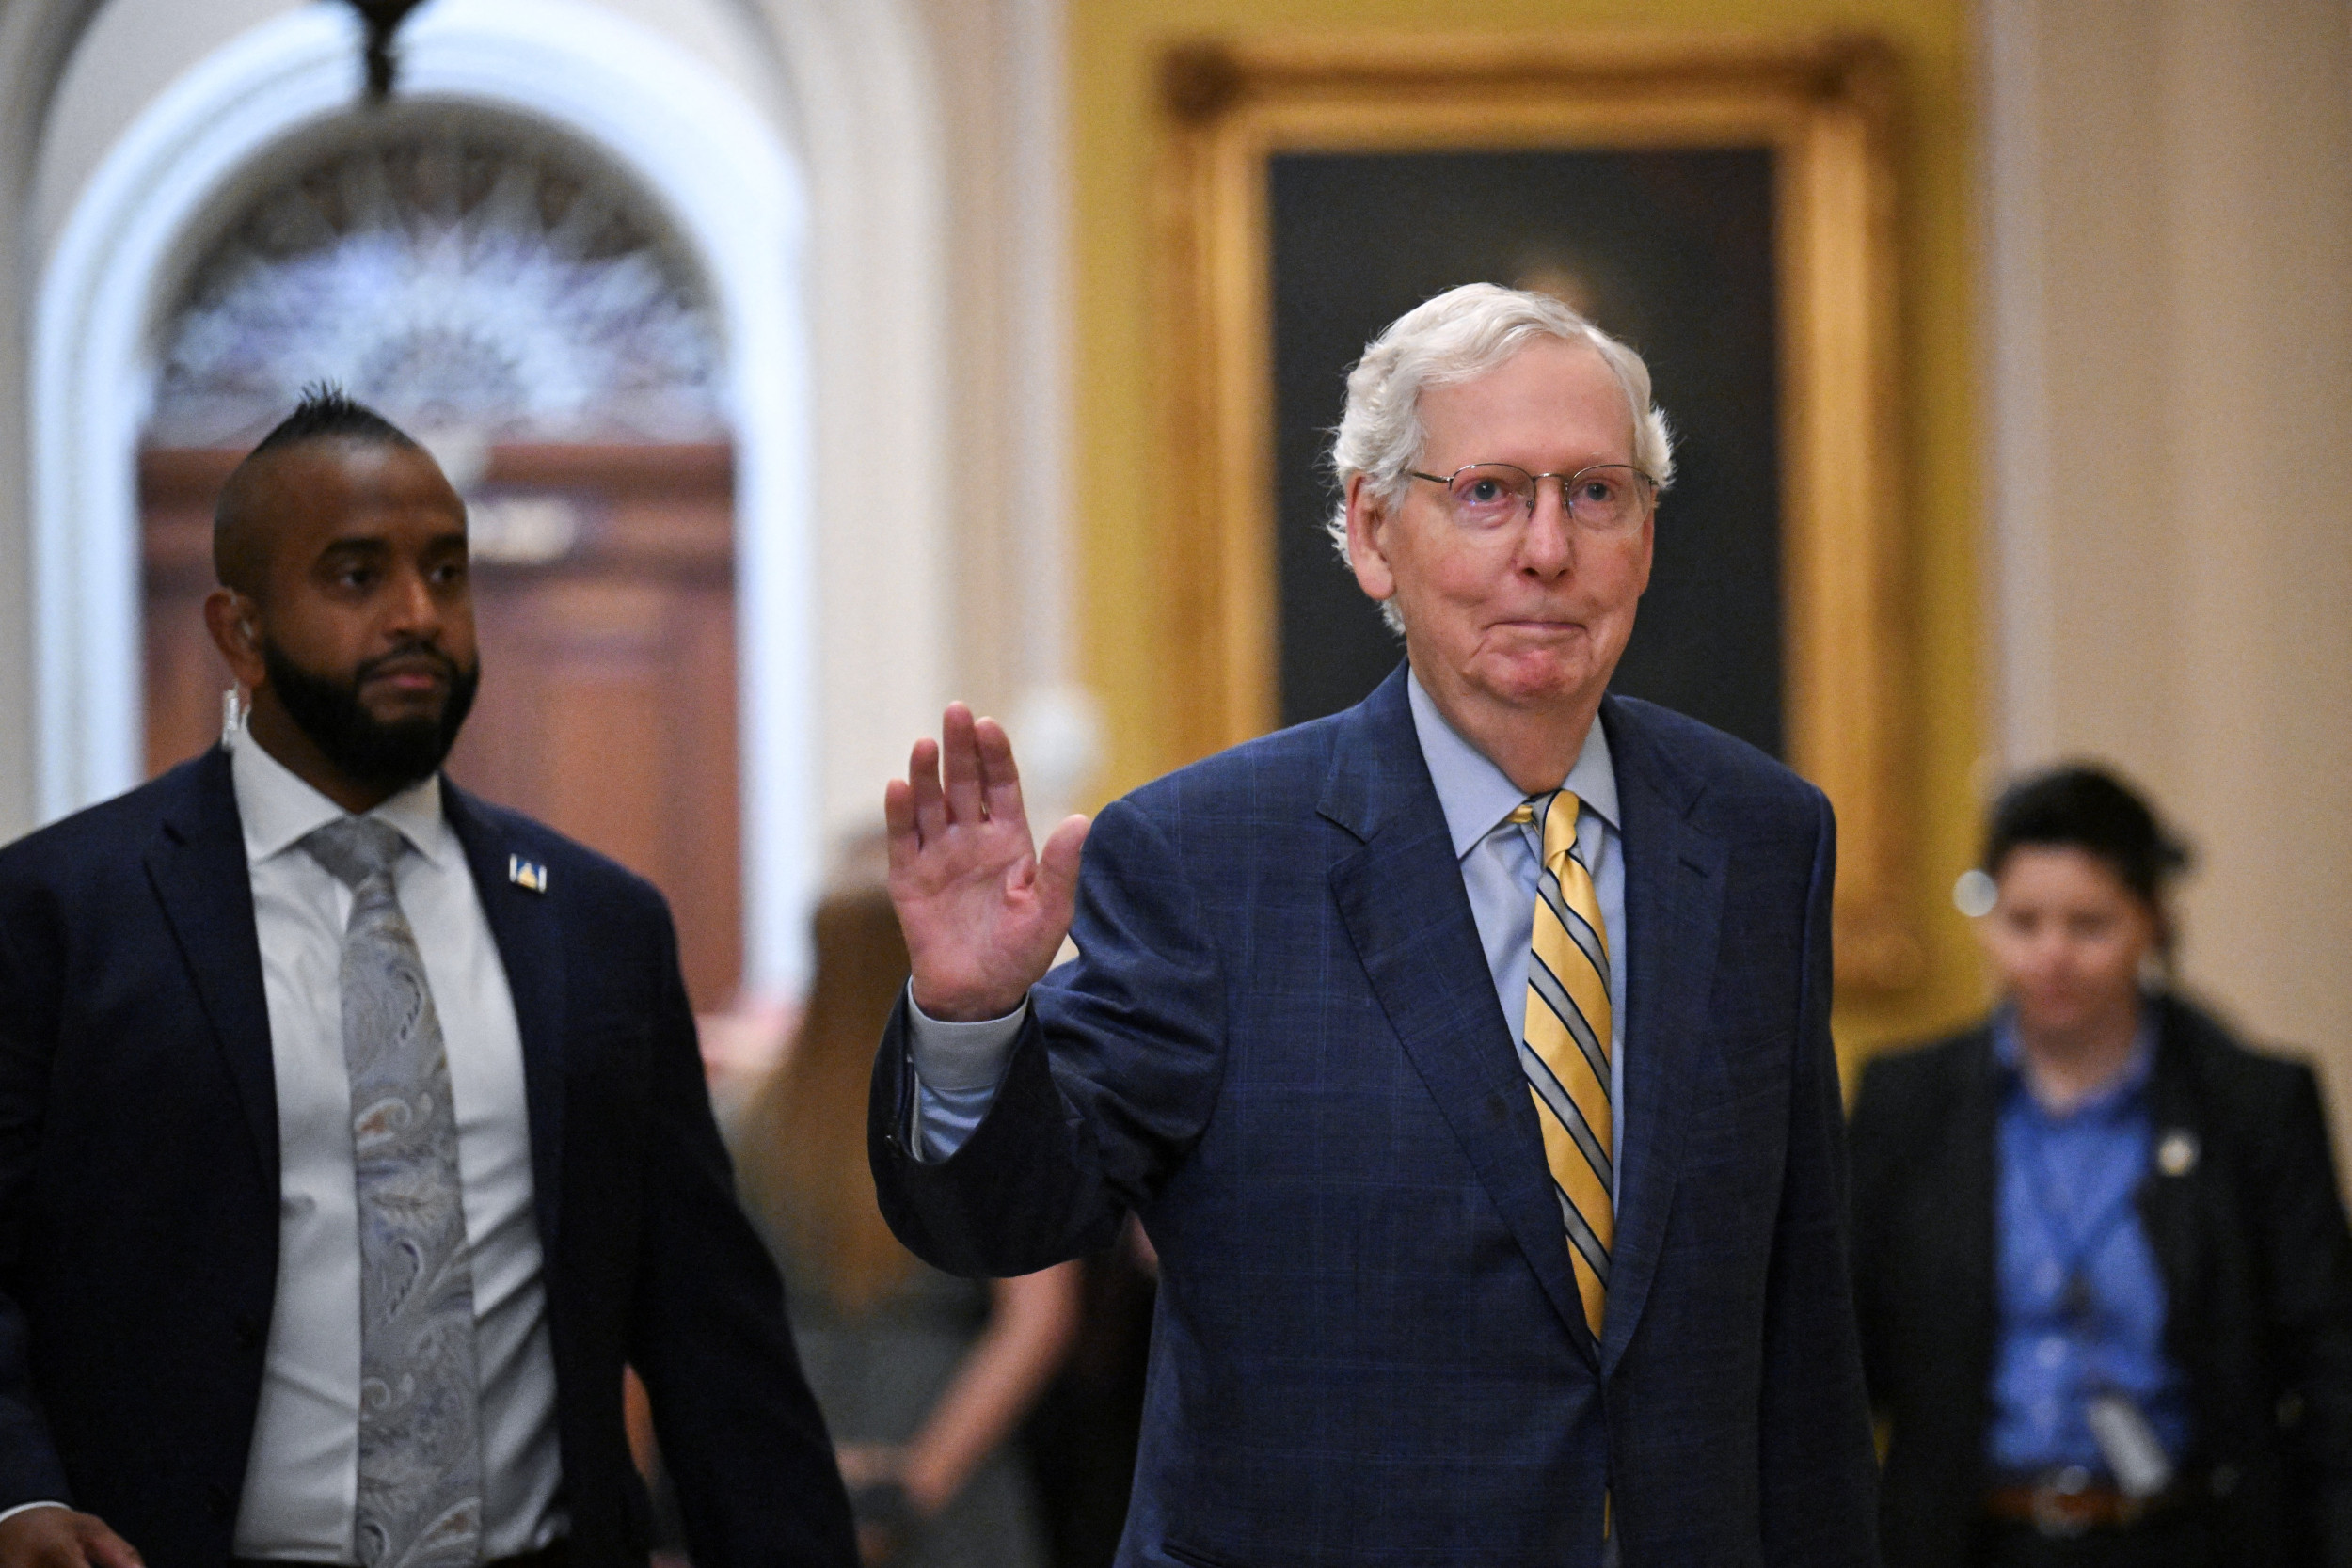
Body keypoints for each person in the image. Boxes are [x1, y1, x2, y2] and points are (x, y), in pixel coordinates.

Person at [868, 282, 1879, 1564]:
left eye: (1596, 493)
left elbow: (1802, 1330)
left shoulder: (1755, 836)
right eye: (1488, 491)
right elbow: (1006, 1222)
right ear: (1369, 531)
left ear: (1647, 532)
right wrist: (969, 1018)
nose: (1548, 550)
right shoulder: (1208, 857)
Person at [0, 389, 858, 1568]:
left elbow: (715, 1333)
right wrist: (15, 1495)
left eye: (446, 573)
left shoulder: (597, 925)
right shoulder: (64, 911)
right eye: (356, 576)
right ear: (239, 631)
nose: (418, 613)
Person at [1850, 765, 2352, 1568]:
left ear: (2152, 921)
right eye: (2022, 921)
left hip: (2191, 1533)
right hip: (1969, 1536)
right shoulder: (1908, 1101)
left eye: (2089, 924)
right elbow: (1844, 1350)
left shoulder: (2252, 1104)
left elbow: (2329, 1366)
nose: (2051, 954)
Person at [730, 858, 1079, 1566]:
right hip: (955, 1466)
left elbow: (711, 1319)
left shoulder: (744, 1122)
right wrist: (915, 1483)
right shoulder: (989, 1118)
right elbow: (1037, 1320)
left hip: (791, 1462)